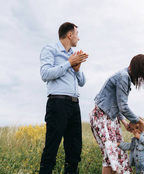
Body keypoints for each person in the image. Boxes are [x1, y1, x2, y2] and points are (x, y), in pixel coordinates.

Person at [39, 22, 89, 174]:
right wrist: (68, 64)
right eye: (77, 34)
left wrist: (77, 68)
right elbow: (45, 74)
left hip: (74, 105)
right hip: (57, 103)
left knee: (74, 151)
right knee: (51, 148)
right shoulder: (50, 49)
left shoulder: (73, 55)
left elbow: (82, 82)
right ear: (69, 35)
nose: (78, 38)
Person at [90, 54, 144, 174]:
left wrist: (124, 122)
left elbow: (118, 104)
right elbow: (123, 106)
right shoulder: (123, 77)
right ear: (137, 69)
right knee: (110, 155)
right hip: (102, 117)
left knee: (118, 154)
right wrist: (138, 121)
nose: (141, 77)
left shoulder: (125, 77)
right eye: (141, 73)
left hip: (110, 118)